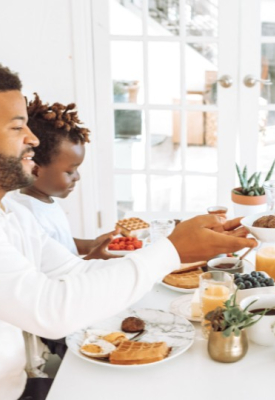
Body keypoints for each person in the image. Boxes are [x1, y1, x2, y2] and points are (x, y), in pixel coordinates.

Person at [0, 64, 257, 400]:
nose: (31, 138)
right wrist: (173, 251)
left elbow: (73, 271)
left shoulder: (13, 212)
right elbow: (52, 311)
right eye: (17, 127)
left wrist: (175, 250)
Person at [9, 93, 117, 260]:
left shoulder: (43, 201)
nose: (77, 177)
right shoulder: (29, 215)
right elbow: (50, 276)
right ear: (36, 170)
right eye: (70, 171)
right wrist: (91, 259)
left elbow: (60, 244)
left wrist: (91, 245)